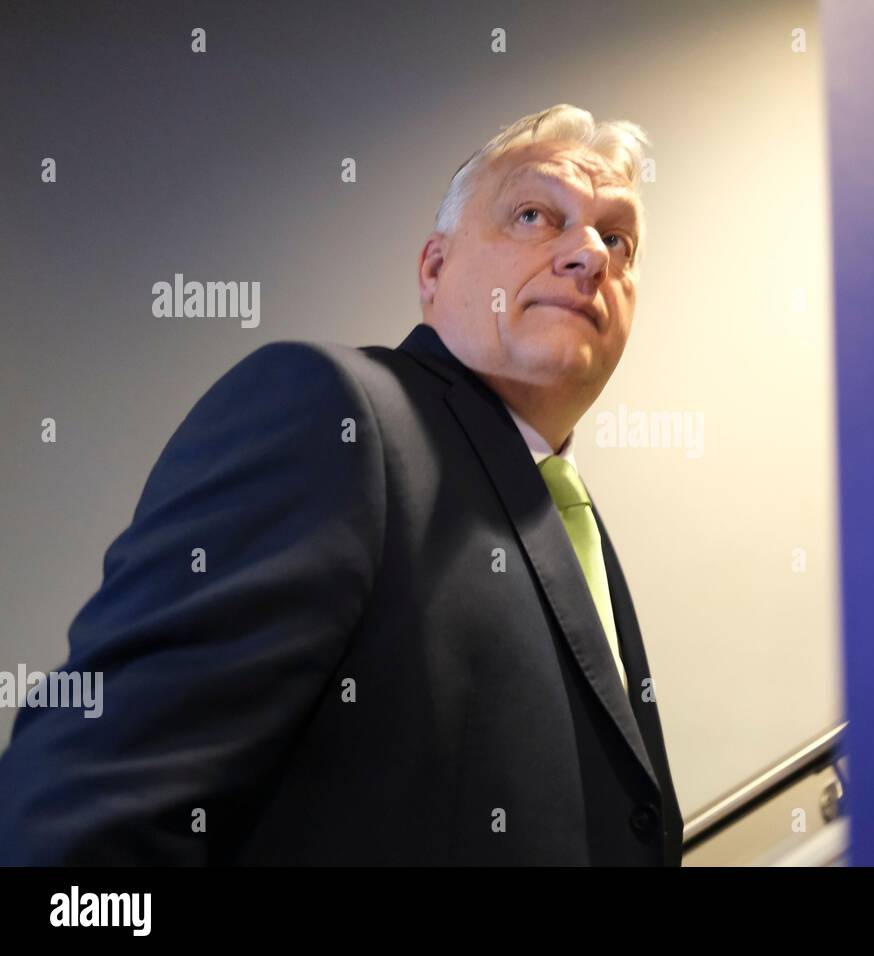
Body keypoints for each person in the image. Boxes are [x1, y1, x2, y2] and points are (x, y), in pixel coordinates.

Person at [0, 103, 682, 865]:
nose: (589, 253)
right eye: (533, 214)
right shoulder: (335, 413)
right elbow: (71, 831)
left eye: (616, 237)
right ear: (434, 268)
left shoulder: (568, 517)